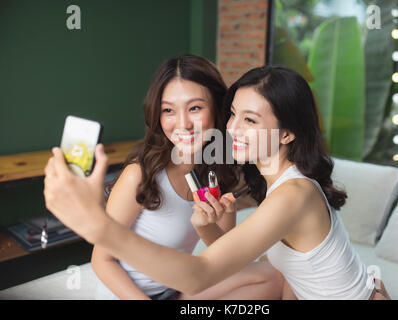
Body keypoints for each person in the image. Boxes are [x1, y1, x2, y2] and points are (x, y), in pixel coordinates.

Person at [44, 65, 390, 300]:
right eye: (234, 114)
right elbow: (267, 269)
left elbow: (200, 274)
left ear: (286, 133)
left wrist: (97, 226)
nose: (233, 128)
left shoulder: (292, 195)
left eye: (250, 120)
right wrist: (207, 227)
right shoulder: (281, 185)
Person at [87, 55, 283, 300]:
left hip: (175, 291)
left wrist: (207, 223)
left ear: (217, 108)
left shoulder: (217, 172)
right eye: (168, 110)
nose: (183, 124)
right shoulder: (139, 174)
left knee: (273, 277)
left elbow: (223, 256)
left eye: (195, 108)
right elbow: (102, 260)